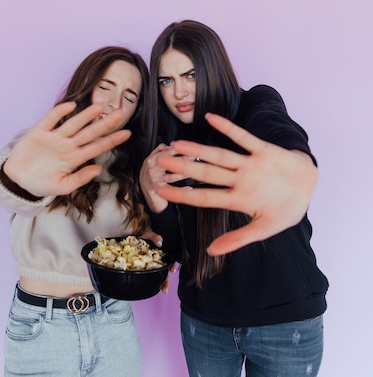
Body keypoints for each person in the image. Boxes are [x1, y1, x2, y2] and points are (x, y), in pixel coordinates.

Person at [139, 20, 329, 377]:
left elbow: (279, 129)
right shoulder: (167, 144)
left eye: (191, 74)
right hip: (204, 325)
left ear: (213, 67)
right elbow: (180, 251)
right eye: (167, 80)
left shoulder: (255, 104)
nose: (179, 91)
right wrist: (153, 195)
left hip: (286, 324)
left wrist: (298, 165)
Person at [0, 46, 154, 377]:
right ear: (87, 85)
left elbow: (125, 245)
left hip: (113, 322)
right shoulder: (45, 145)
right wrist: (17, 179)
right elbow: (12, 189)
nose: (113, 102)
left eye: (129, 95)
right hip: (41, 328)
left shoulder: (136, 165)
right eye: (106, 87)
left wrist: (144, 244)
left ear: (137, 110)